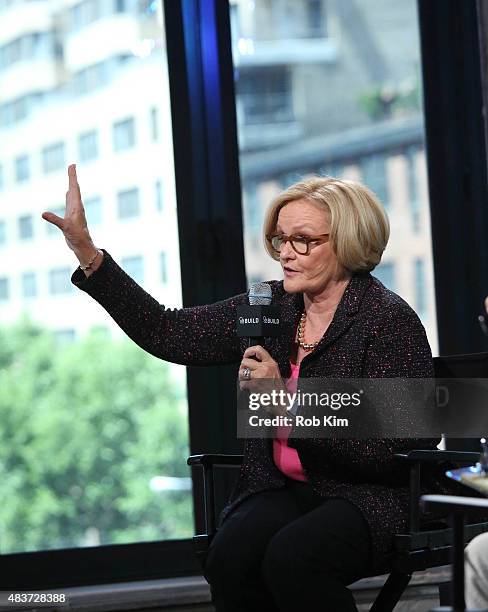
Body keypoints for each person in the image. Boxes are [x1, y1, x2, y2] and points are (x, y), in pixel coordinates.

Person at [43, 165, 451, 612]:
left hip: (368, 493)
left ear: (349, 242)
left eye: (304, 241)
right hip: (284, 487)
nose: (286, 254)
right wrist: (88, 253)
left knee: (294, 558)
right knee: (231, 559)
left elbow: (407, 443)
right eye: (280, 239)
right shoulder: (271, 305)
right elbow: (169, 331)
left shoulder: (386, 320)